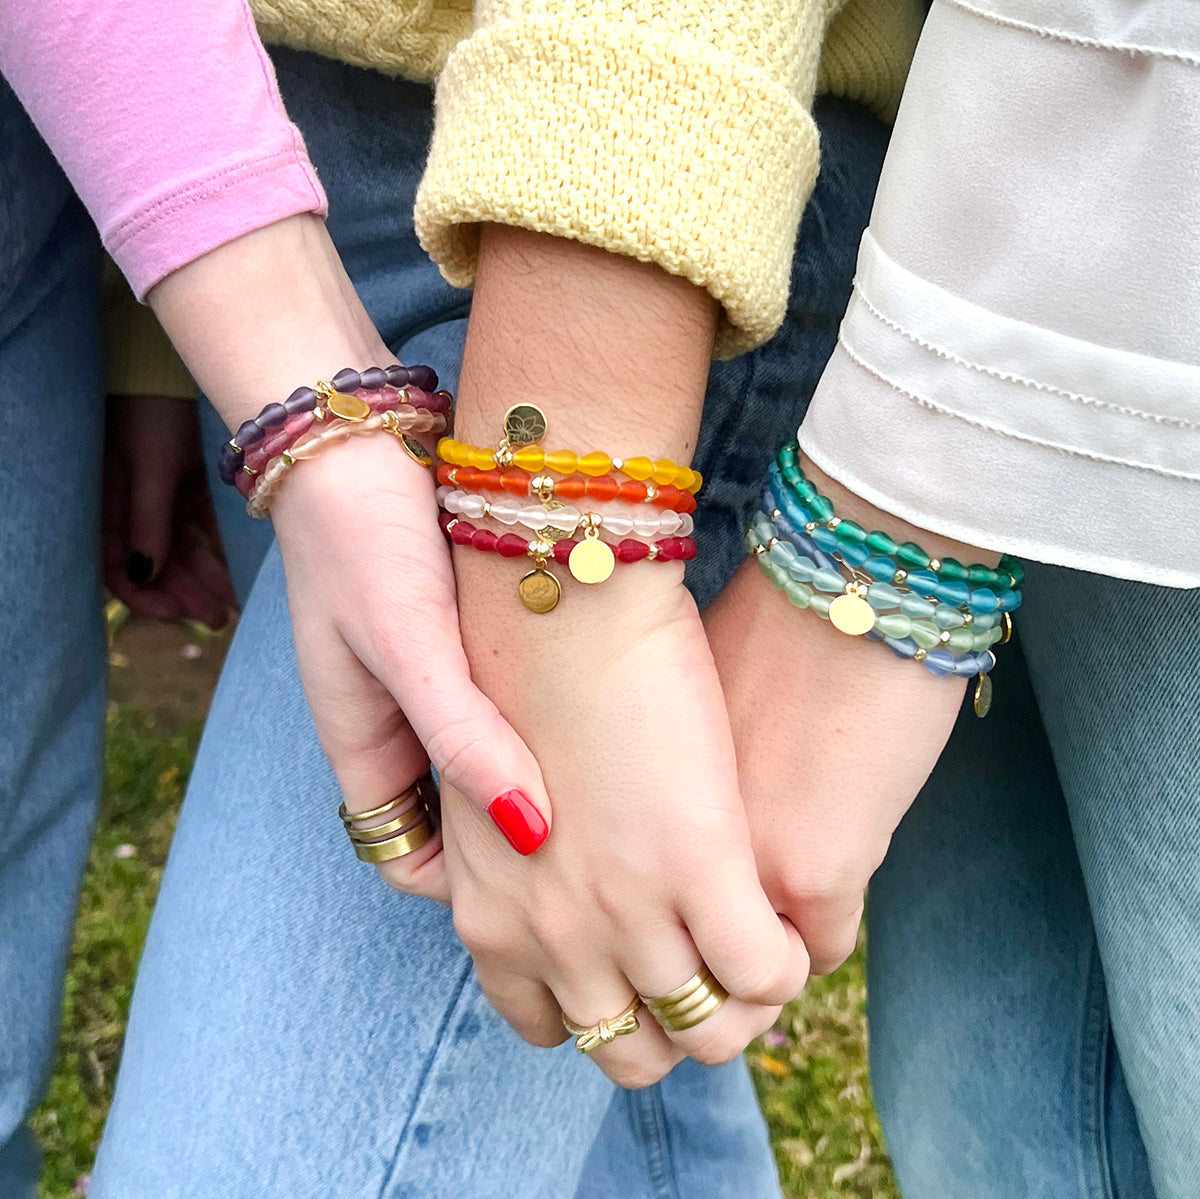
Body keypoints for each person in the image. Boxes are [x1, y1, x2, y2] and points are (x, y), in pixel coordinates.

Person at [0, 0, 913, 1194]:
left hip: (626, 217)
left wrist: (562, 528)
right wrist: (175, 322)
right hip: (250, 151)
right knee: (587, 1008)